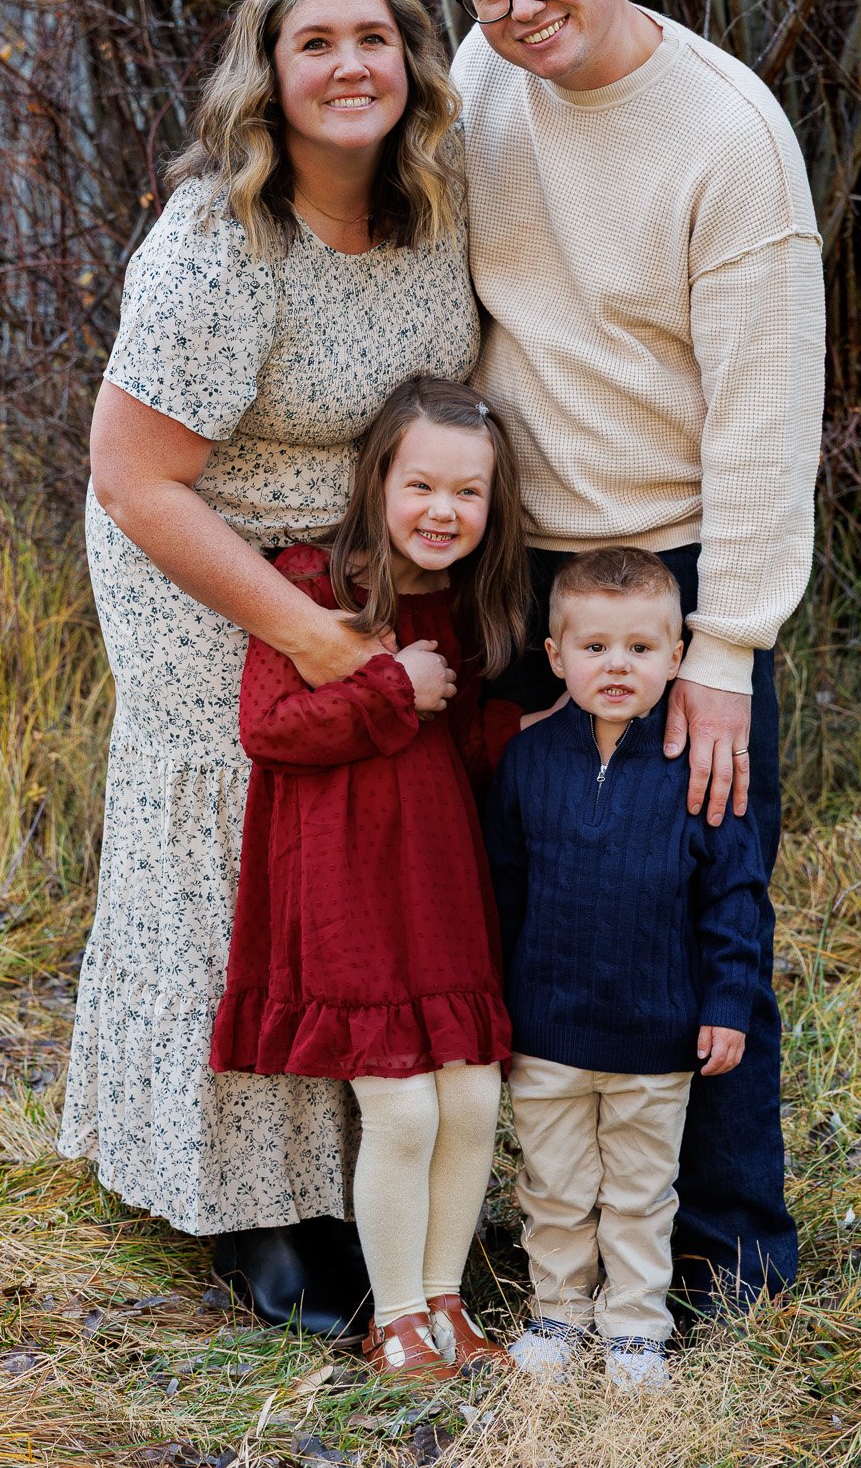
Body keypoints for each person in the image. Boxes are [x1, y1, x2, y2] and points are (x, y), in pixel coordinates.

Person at [59, 0, 481, 1337]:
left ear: (412, 61)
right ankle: (252, 1206)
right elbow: (133, 478)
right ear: (269, 75)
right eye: (316, 43)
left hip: (361, 565)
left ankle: (377, 1175)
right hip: (207, 567)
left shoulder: (432, 212)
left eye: (375, 37)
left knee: (362, 856)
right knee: (241, 841)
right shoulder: (219, 243)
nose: (351, 65)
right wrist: (305, 634)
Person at [438, 0, 826, 1311]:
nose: (526, 6)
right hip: (510, 569)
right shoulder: (483, 82)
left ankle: (725, 1253)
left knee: (691, 903)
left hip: (666, 586)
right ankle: (545, 1225)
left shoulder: (725, 135)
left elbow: (764, 411)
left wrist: (723, 647)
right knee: (529, 901)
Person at [211, 375, 528, 1377]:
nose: (444, 510)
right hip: (344, 882)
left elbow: (471, 744)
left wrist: (560, 730)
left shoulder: (460, 601)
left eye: (468, 493)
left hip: (436, 881)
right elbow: (269, 727)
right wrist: (393, 685)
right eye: (422, 483)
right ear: (376, 478)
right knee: (402, 1107)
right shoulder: (307, 583)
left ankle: (447, 1301)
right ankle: (394, 1319)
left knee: (471, 1097)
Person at [483, 548, 766, 1387]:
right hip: (548, 1030)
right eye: (594, 647)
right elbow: (502, 892)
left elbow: (733, 898)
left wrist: (727, 1002)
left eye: (640, 649)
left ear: (676, 658)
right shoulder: (527, 764)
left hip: (656, 1033)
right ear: (555, 657)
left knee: (643, 1193)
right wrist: (494, 1008)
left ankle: (636, 1327)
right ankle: (557, 1316)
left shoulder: (698, 770)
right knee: (555, 1188)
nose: (616, 666)